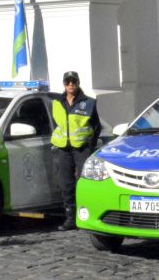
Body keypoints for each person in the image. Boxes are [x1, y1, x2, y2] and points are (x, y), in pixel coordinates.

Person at [51, 70, 101, 231]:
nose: (70, 84)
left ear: (78, 83)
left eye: (73, 82)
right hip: (64, 149)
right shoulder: (57, 102)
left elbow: (96, 126)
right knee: (66, 184)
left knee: (85, 182)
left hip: (82, 148)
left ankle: (87, 215)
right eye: (68, 82)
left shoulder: (88, 102)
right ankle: (70, 218)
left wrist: (90, 145)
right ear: (64, 84)